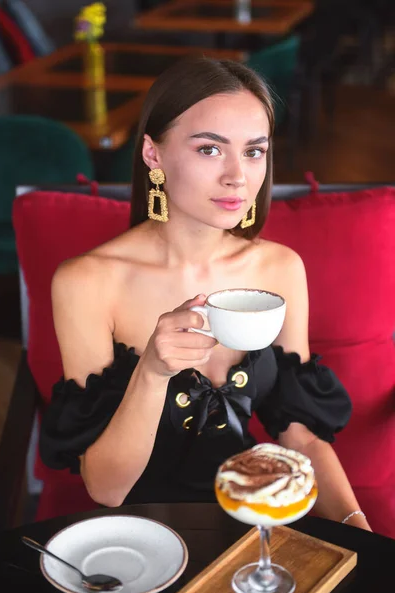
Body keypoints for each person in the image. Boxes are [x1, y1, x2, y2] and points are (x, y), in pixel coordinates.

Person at [40, 56, 371, 532]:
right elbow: (106, 488)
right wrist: (152, 372)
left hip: (252, 520)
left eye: (254, 151)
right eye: (210, 150)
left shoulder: (279, 268)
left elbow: (300, 434)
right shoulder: (87, 282)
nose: (238, 175)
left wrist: (356, 525)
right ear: (153, 155)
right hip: (141, 533)